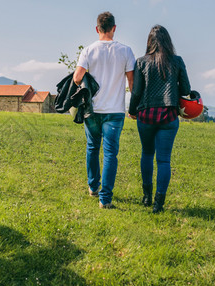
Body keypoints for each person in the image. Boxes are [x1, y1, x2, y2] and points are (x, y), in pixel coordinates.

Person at [73, 11, 135, 209]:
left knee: (92, 147)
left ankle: (93, 187)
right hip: (115, 111)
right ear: (114, 28)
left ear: (97, 28)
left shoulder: (88, 50)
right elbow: (132, 82)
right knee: (110, 154)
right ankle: (105, 199)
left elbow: (76, 78)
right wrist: (133, 105)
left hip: (93, 109)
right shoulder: (126, 51)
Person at [128, 25, 191, 213]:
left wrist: (132, 111)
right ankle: (158, 203)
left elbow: (137, 91)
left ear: (149, 42)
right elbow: (186, 90)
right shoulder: (177, 61)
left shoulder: (141, 62)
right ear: (168, 41)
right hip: (169, 116)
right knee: (164, 160)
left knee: (147, 154)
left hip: (146, 115)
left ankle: (146, 196)